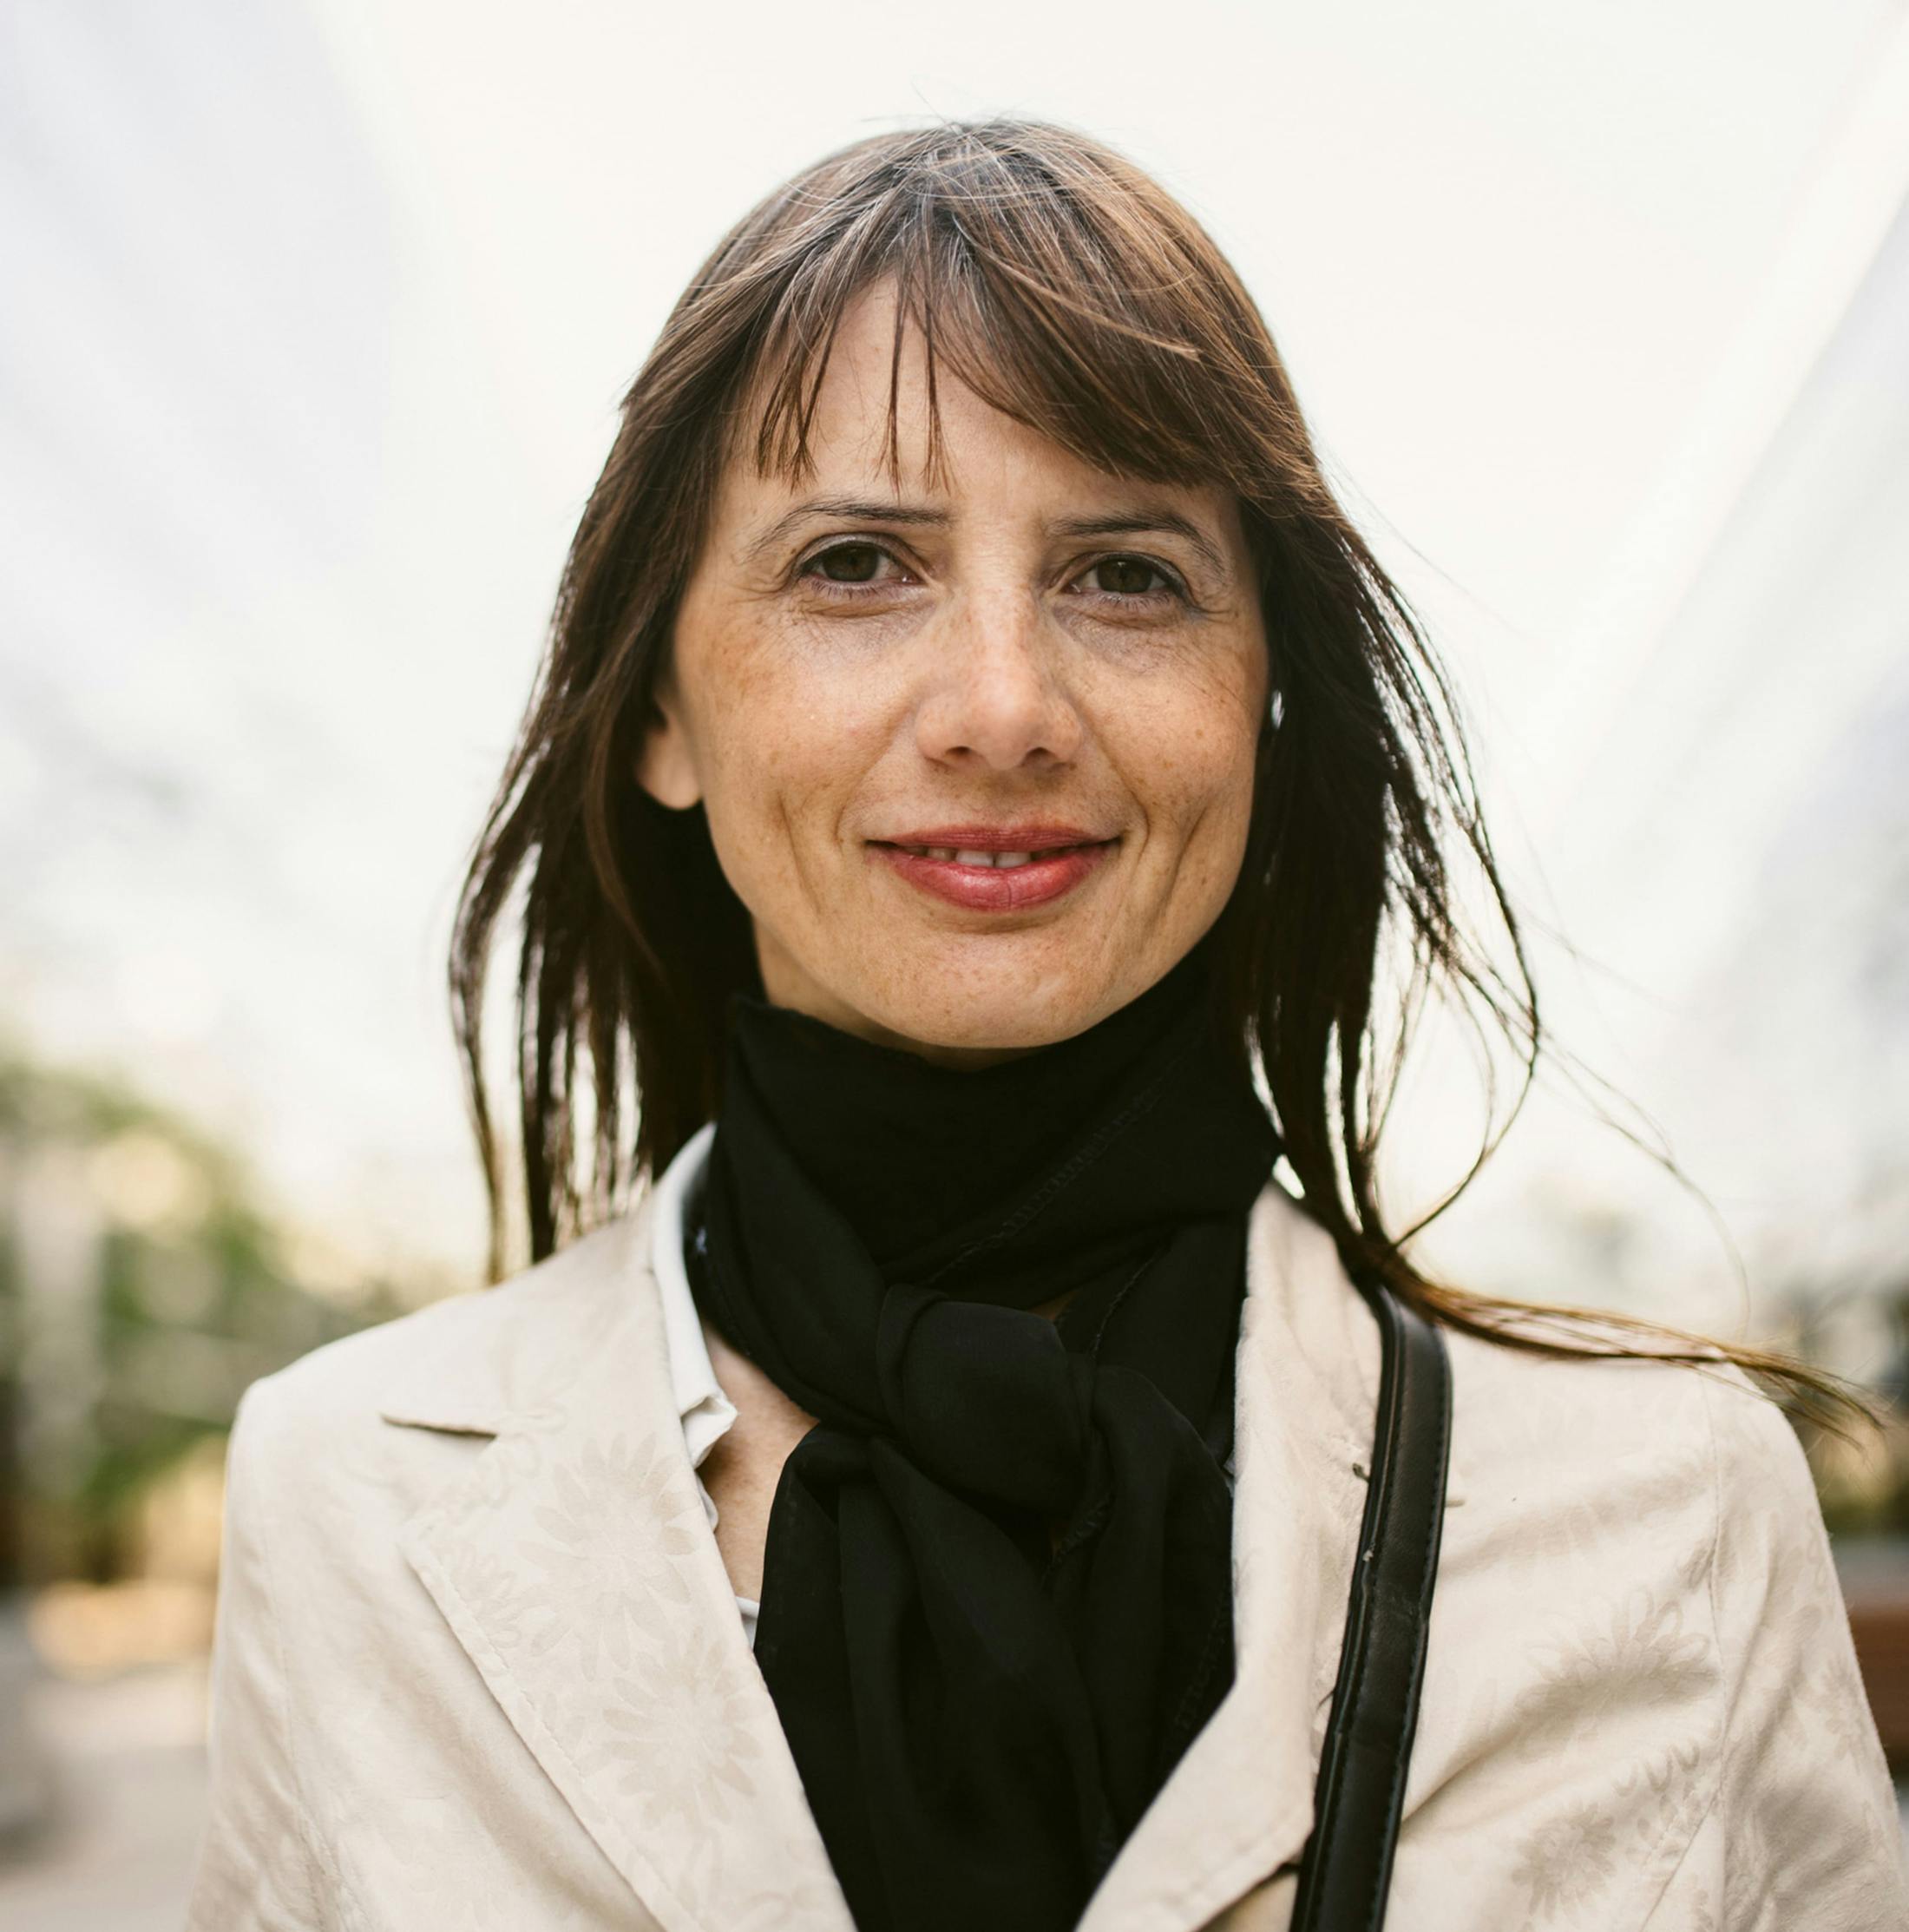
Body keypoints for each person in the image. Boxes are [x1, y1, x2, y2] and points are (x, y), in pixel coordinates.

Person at [184, 119, 1907, 1932]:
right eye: (854, 564)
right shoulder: (348, 1500)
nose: (1002, 705)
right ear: (660, 716)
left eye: (1125, 575)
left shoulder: (1666, 1519)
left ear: (1264, 706)